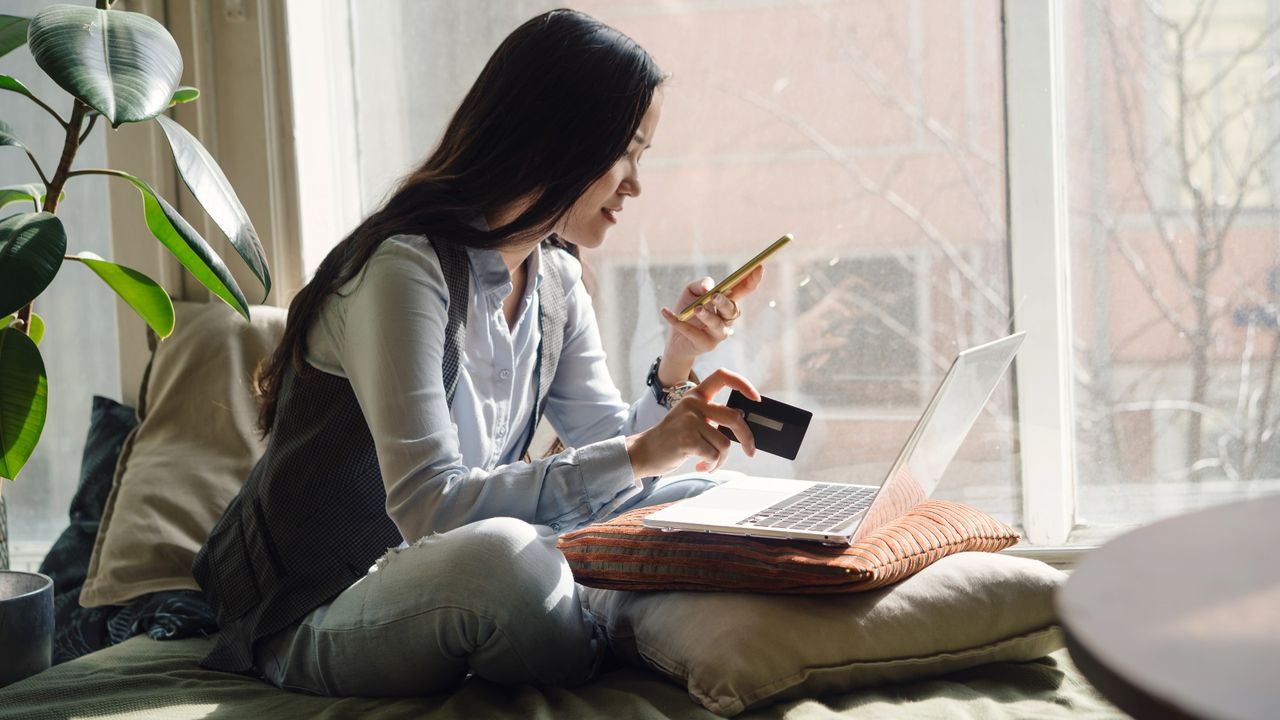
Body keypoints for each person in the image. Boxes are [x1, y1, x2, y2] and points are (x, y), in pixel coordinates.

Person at [193, 8, 765, 697]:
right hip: (323, 607)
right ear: (549, 141)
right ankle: (611, 620)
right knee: (505, 565)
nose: (635, 183)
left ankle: (604, 608)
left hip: (461, 574)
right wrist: (641, 455)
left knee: (719, 495)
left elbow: (610, 449)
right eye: (626, 151)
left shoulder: (554, 278)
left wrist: (676, 364)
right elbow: (430, 509)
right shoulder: (403, 270)